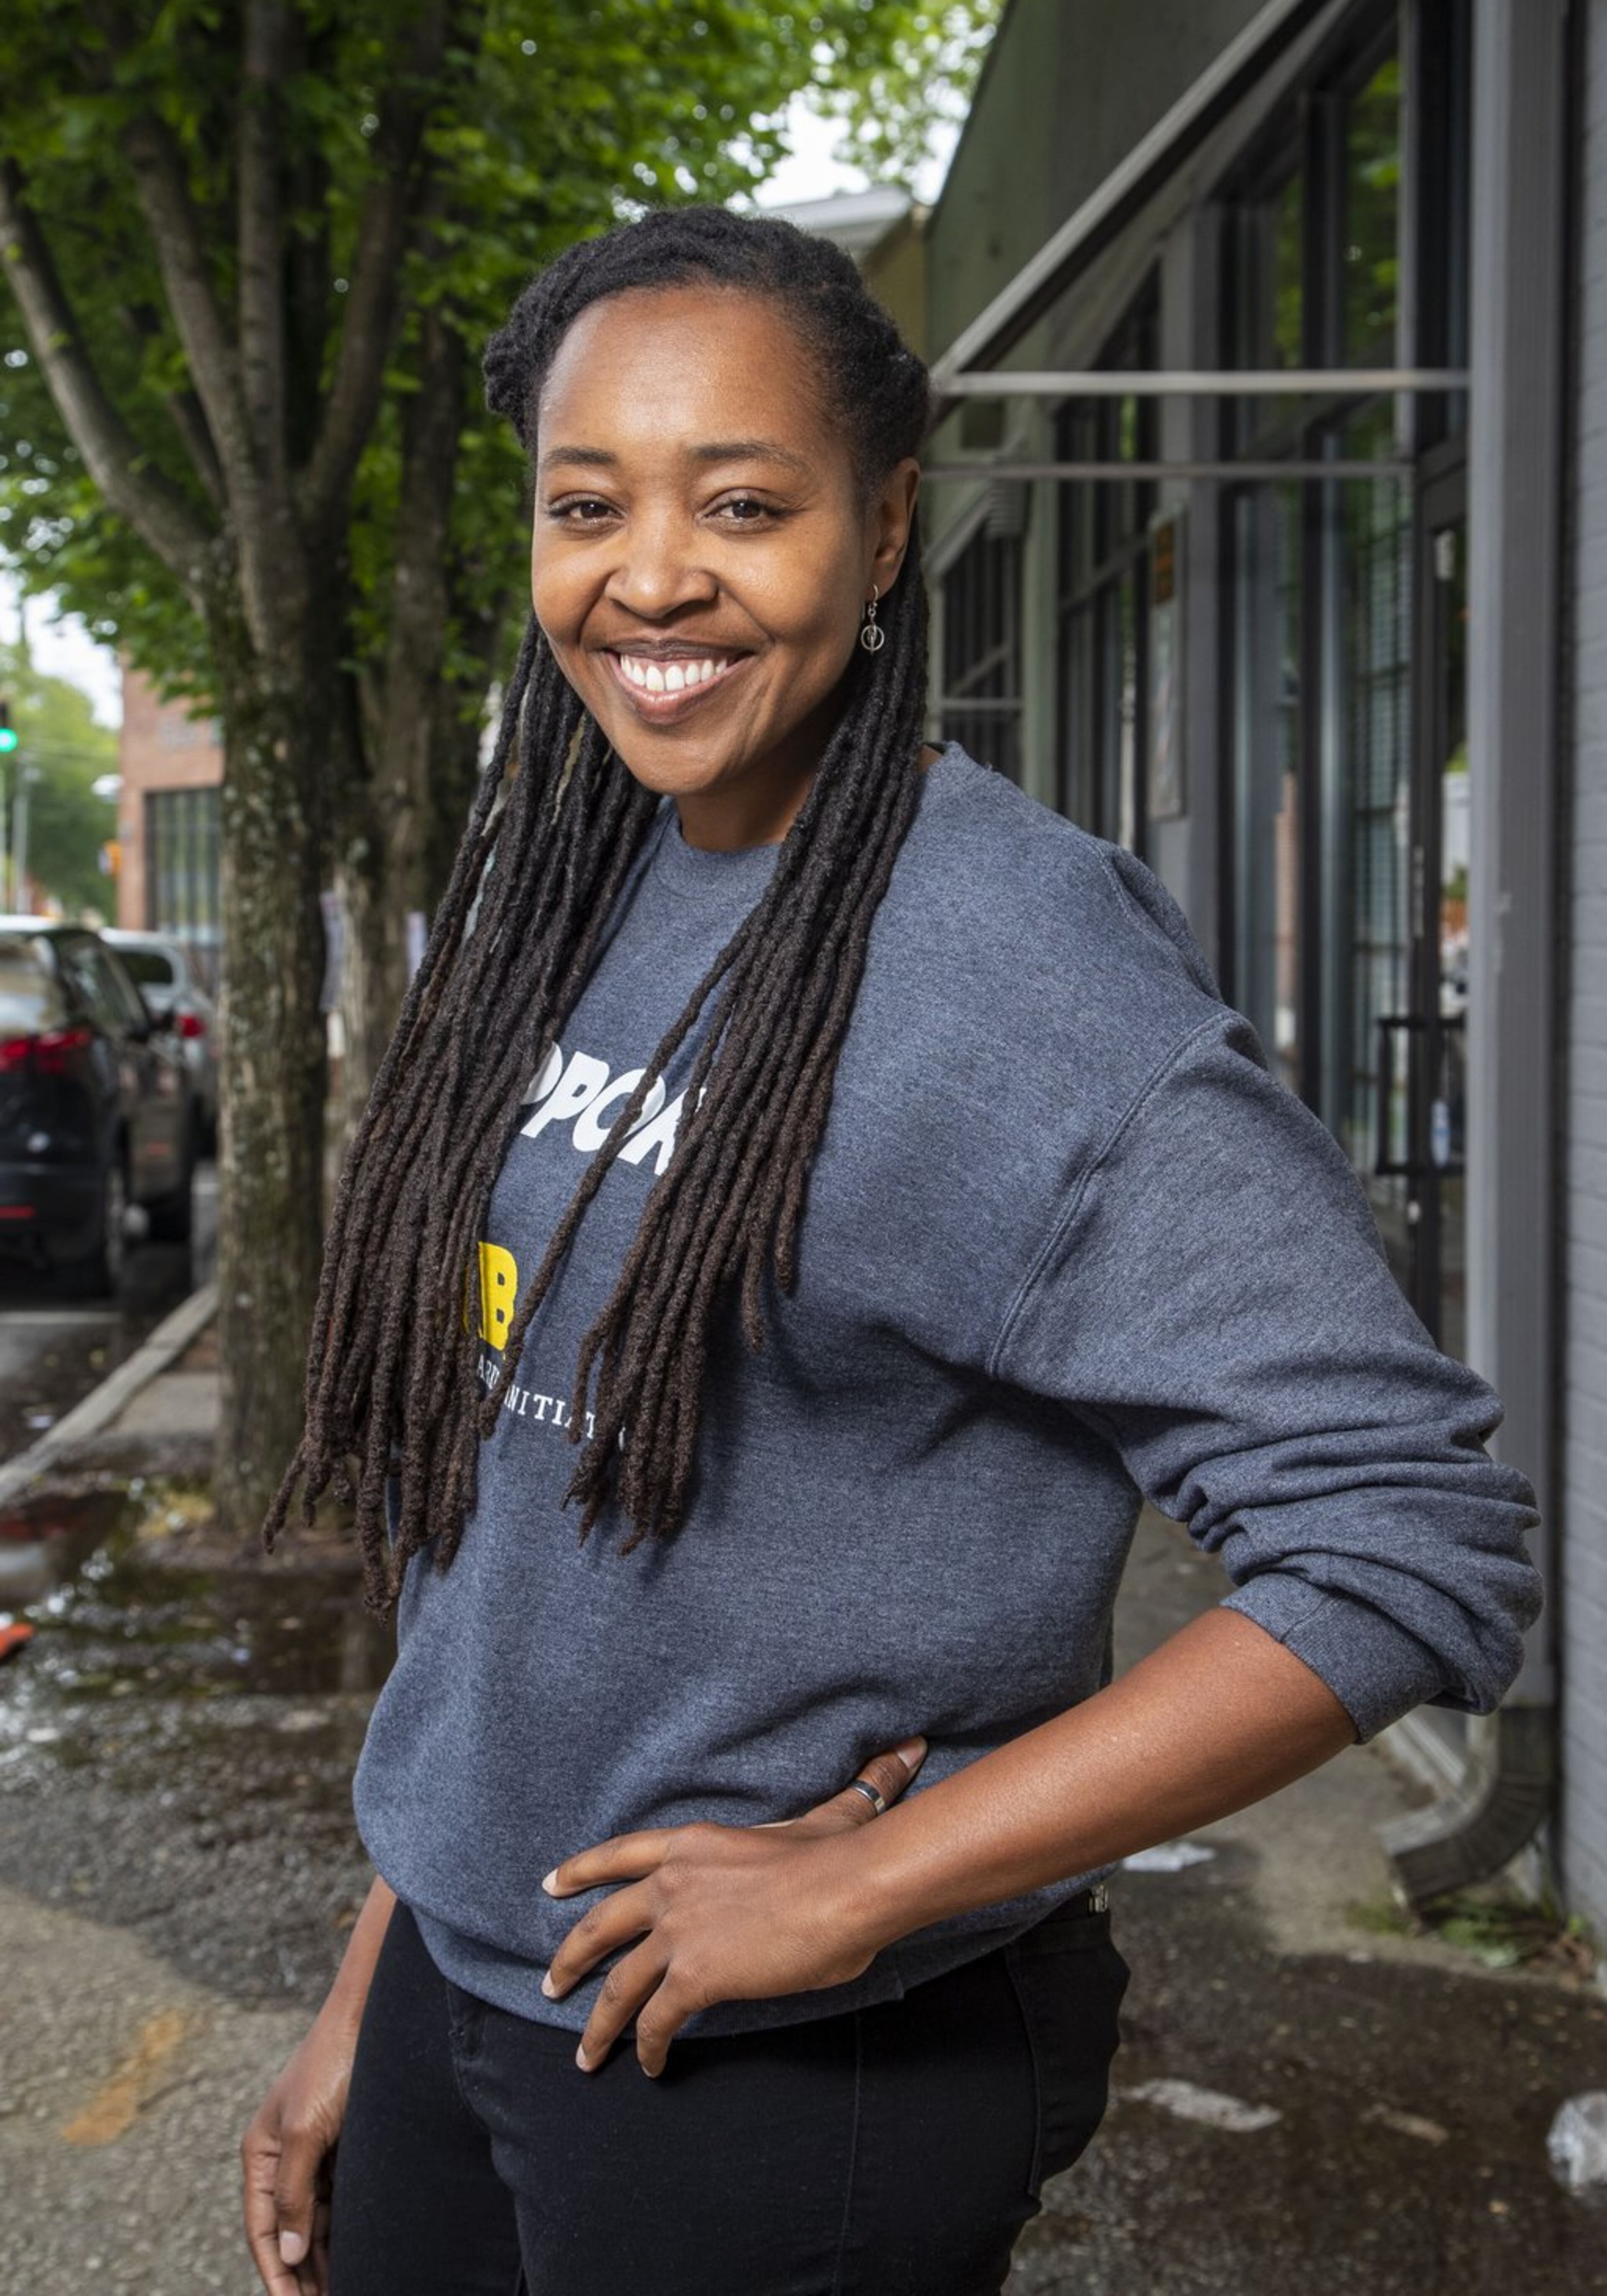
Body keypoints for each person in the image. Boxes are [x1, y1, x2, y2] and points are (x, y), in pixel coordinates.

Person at [240, 206, 1543, 2296]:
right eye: (590, 507)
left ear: (885, 527)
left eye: (743, 503)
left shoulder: (1015, 973)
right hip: (473, 1997)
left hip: (779, 2065)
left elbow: (1408, 1539)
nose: (651, 575)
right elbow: (508, 1526)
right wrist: (375, 1986)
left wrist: (877, 1884)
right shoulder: (584, 882)